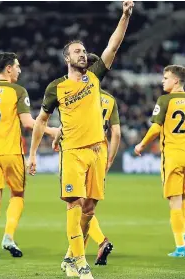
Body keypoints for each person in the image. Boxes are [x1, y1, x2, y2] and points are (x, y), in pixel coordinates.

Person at [27, 2, 134, 278]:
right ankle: (80, 261)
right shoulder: (56, 88)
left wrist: (125, 16)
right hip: (72, 152)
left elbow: (113, 45)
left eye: (84, 51)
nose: (83, 54)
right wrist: (33, 154)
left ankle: (69, 256)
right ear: (67, 58)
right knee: (74, 205)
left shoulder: (95, 76)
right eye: (77, 51)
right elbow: (40, 121)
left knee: (89, 208)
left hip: (97, 151)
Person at [0, 52, 58, 259]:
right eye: (17, 66)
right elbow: (27, 123)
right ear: (8, 68)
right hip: (12, 153)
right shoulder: (17, 90)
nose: (19, 70)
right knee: (17, 195)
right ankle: (8, 237)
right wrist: (52, 131)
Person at [52, 54, 121, 272]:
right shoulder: (109, 100)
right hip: (99, 152)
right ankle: (74, 256)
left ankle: (78, 254)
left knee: (77, 204)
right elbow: (117, 132)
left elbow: (70, 122)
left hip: (76, 150)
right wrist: (110, 157)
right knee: (88, 207)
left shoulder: (76, 92)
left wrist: (57, 136)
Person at [134, 65, 185, 258]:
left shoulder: (165, 100)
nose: (162, 81)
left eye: (165, 78)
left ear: (175, 80)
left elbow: (156, 128)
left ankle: (180, 247)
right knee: (183, 198)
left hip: (173, 157)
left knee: (174, 202)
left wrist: (141, 145)